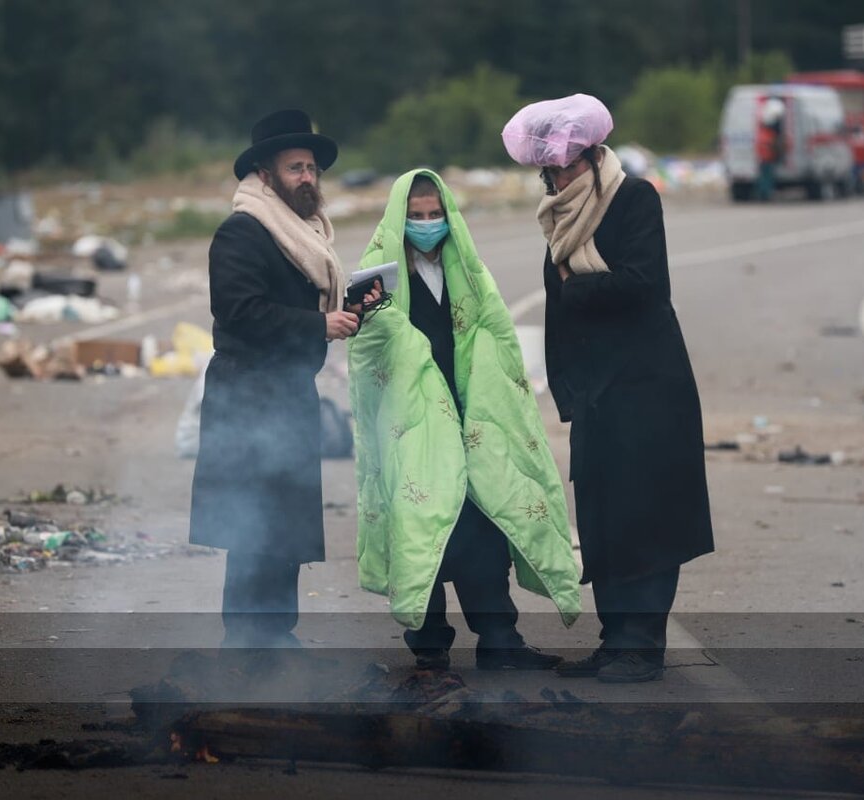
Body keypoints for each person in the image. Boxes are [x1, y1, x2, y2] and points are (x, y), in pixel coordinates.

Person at [502, 94, 715, 683]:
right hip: (597, 393)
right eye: (550, 170)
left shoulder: (635, 198)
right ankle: (614, 638)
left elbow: (645, 284)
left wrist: (576, 287)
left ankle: (642, 646)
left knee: (648, 517)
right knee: (602, 519)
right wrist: (566, 388)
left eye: (568, 166)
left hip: (649, 388)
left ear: (595, 157)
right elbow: (557, 307)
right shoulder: (558, 218)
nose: (558, 178)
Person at [348, 169, 581, 672]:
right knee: (420, 520)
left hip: (472, 413)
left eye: (436, 215)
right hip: (411, 423)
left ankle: (500, 640)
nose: (428, 225)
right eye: (416, 216)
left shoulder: (466, 268)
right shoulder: (375, 272)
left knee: (485, 523)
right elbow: (365, 351)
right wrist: (403, 343)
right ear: (398, 218)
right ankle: (429, 647)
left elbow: (493, 331)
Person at [189, 109, 361, 648]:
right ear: (265, 175)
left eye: (311, 168)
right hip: (248, 398)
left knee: (284, 527)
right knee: (253, 526)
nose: (307, 178)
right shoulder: (243, 232)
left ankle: (277, 634)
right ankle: (245, 637)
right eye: (295, 168)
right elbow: (239, 312)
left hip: (288, 395)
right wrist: (318, 323)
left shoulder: (303, 235)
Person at [755, 96, 786, 201]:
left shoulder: (763, 135)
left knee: (763, 178)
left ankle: (763, 193)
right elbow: (772, 147)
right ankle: (766, 194)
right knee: (767, 178)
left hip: (763, 159)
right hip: (767, 159)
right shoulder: (769, 135)